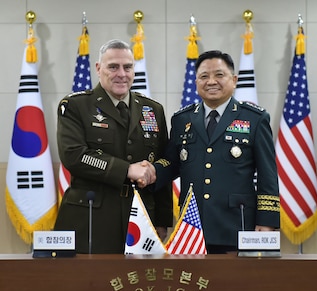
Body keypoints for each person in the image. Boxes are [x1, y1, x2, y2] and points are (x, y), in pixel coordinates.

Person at [151, 50, 280, 254]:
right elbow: (172, 163)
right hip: (193, 227)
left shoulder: (255, 118)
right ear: (196, 82)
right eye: (204, 76)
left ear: (234, 80)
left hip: (238, 226)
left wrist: (267, 220)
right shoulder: (182, 119)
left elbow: (267, 173)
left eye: (219, 75)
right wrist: (149, 171)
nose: (211, 81)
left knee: (236, 284)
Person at [54, 39, 173, 254]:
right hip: (91, 217)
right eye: (113, 67)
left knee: (137, 284)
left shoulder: (152, 109)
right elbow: (74, 155)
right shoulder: (75, 106)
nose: (121, 74)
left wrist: (162, 220)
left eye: (127, 67)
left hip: (142, 219)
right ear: (99, 69)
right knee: (89, 284)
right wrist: (127, 170)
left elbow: (161, 165)